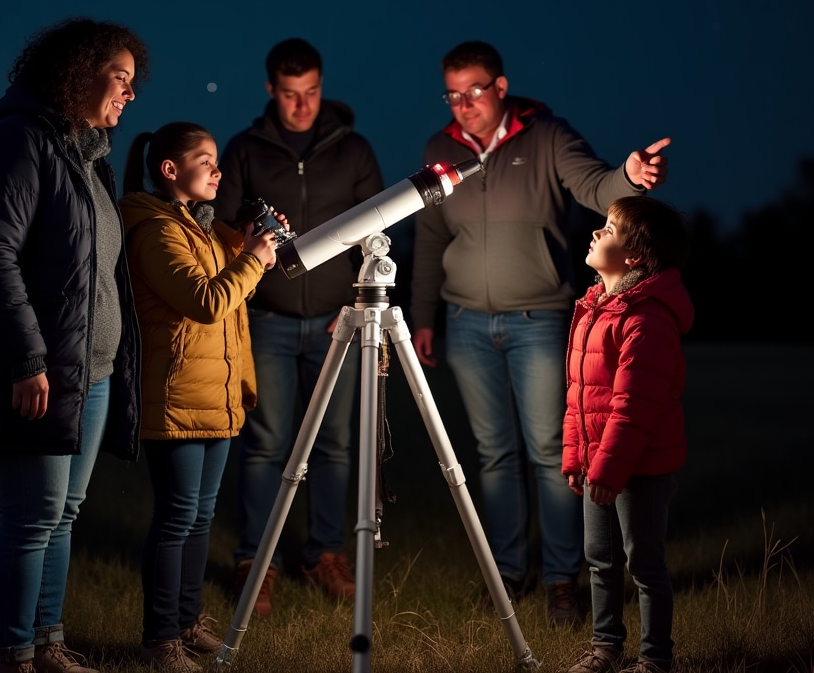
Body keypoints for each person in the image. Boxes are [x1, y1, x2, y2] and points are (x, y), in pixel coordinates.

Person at [410, 40, 671, 626]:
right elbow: (430, 239)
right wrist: (424, 315)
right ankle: (508, 572)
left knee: (554, 453)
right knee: (493, 454)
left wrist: (627, 177)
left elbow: (594, 185)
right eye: (451, 94)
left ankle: (561, 578)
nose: (462, 104)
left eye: (473, 91)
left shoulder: (547, 135)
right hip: (466, 322)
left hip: (538, 320)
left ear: (500, 89)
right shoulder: (439, 149)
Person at [0, 18, 150, 673]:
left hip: (91, 373)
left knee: (63, 513)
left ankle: (47, 643)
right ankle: (10, 654)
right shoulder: (14, 144)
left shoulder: (87, 160)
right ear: (78, 73)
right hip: (41, 371)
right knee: (33, 516)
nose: (129, 95)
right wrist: (27, 358)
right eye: (121, 79)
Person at [215, 37, 384, 615]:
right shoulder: (245, 150)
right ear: (271, 91)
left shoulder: (353, 150)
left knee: (334, 444)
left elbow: (374, 234)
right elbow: (221, 226)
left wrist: (364, 305)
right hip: (268, 318)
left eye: (311, 92)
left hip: (338, 319)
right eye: (290, 95)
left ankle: (324, 554)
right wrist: (249, 229)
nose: (303, 105)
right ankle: (255, 562)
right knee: (264, 444)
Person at [119, 122, 280, 673]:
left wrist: (252, 245)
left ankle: (187, 624)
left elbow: (234, 292)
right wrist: (252, 257)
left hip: (218, 391)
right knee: (176, 517)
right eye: (205, 159)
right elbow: (206, 301)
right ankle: (159, 638)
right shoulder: (154, 230)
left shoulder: (204, 229)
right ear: (170, 170)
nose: (217, 169)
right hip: (178, 392)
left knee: (200, 517)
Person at [562, 197, 693, 673]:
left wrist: (609, 468)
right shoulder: (594, 307)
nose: (596, 234)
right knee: (600, 559)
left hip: (641, 465)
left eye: (609, 229)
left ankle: (656, 659)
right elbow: (580, 394)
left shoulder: (647, 318)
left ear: (634, 256)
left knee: (643, 564)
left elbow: (633, 406)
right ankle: (606, 649)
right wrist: (577, 459)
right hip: (601, 462)